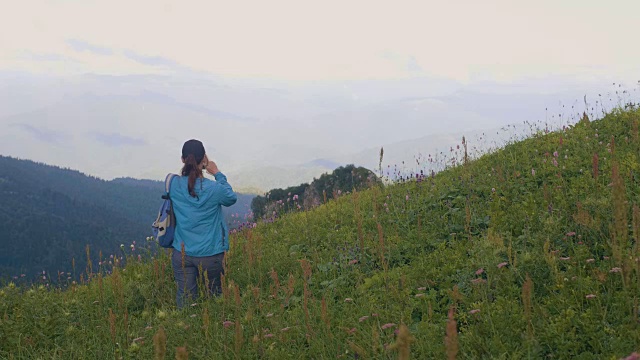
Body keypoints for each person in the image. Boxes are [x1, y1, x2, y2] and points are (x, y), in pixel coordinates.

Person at [169, 139, 237, 308]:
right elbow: (231, 197)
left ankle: (186, 331)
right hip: (210, 254)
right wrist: (216, 173)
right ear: (203, 160)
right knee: (215, 300)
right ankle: (214, 329)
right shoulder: (213, 189)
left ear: (182, 159)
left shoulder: (173, 184)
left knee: (185, 301)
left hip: (181, 253)